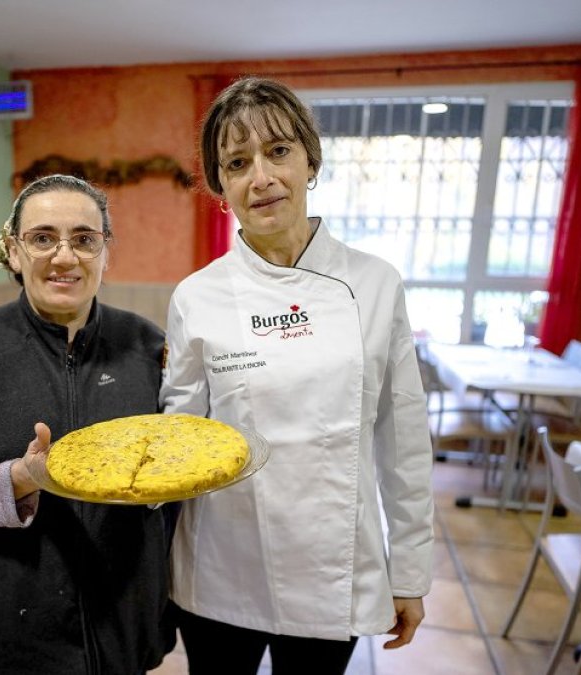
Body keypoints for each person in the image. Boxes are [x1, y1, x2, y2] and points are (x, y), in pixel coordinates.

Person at [160, 77, 434, 674]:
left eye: (278, 151)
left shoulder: (376, 285)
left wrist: (409, 571)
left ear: (311, 159)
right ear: (221, 185)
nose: (261, 177)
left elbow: (403, 442)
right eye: (237, 162)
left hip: (328, 571)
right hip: (220, 568)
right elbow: (181, 438)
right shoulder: (196, 297)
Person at [0, 174, 177, 674]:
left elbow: (175, 470)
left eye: (84, 239)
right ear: (14, 252)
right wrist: (20, 478)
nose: (64, 256)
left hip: (127, 616)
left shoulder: (146, 345)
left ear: (105, 253)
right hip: (16, 628)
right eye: (42, 238)